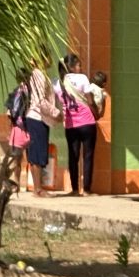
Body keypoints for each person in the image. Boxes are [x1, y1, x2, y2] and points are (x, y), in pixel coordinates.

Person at [57, 53, 98, 196]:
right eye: (79, 65)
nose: (81, 67)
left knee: (73, 157)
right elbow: (90, 101)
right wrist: (96, 113)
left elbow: (60, 102)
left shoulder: (59, 82)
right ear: (72, 67)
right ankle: (86, 189)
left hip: (70, 125)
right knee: (88, 156)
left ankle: (74, 189)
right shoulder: (82, 78)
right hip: (87, 122)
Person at [22, 56, 59, 196]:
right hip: (38, 117)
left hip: (37, 117)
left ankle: (37, 188)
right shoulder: (39, 75)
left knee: (36, 154)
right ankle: (38, 189)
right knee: (37, 154)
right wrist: (55, 113)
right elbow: (41, 101)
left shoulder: (37, 74)